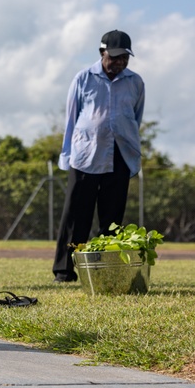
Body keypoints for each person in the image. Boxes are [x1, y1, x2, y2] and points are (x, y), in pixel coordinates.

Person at [52, 30, 145, 283]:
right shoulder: (83, 78)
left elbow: (136, 118)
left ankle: (104, 270)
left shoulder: (135, 82)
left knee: (112, 219)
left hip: (120, 156)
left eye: (124, 58)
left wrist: (133, 154)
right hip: (85, 156)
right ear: (102, 53)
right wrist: (66, 156)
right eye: (114, 57)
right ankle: (65, 271)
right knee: (76, 216)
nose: (119, 62)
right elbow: (71, 120)